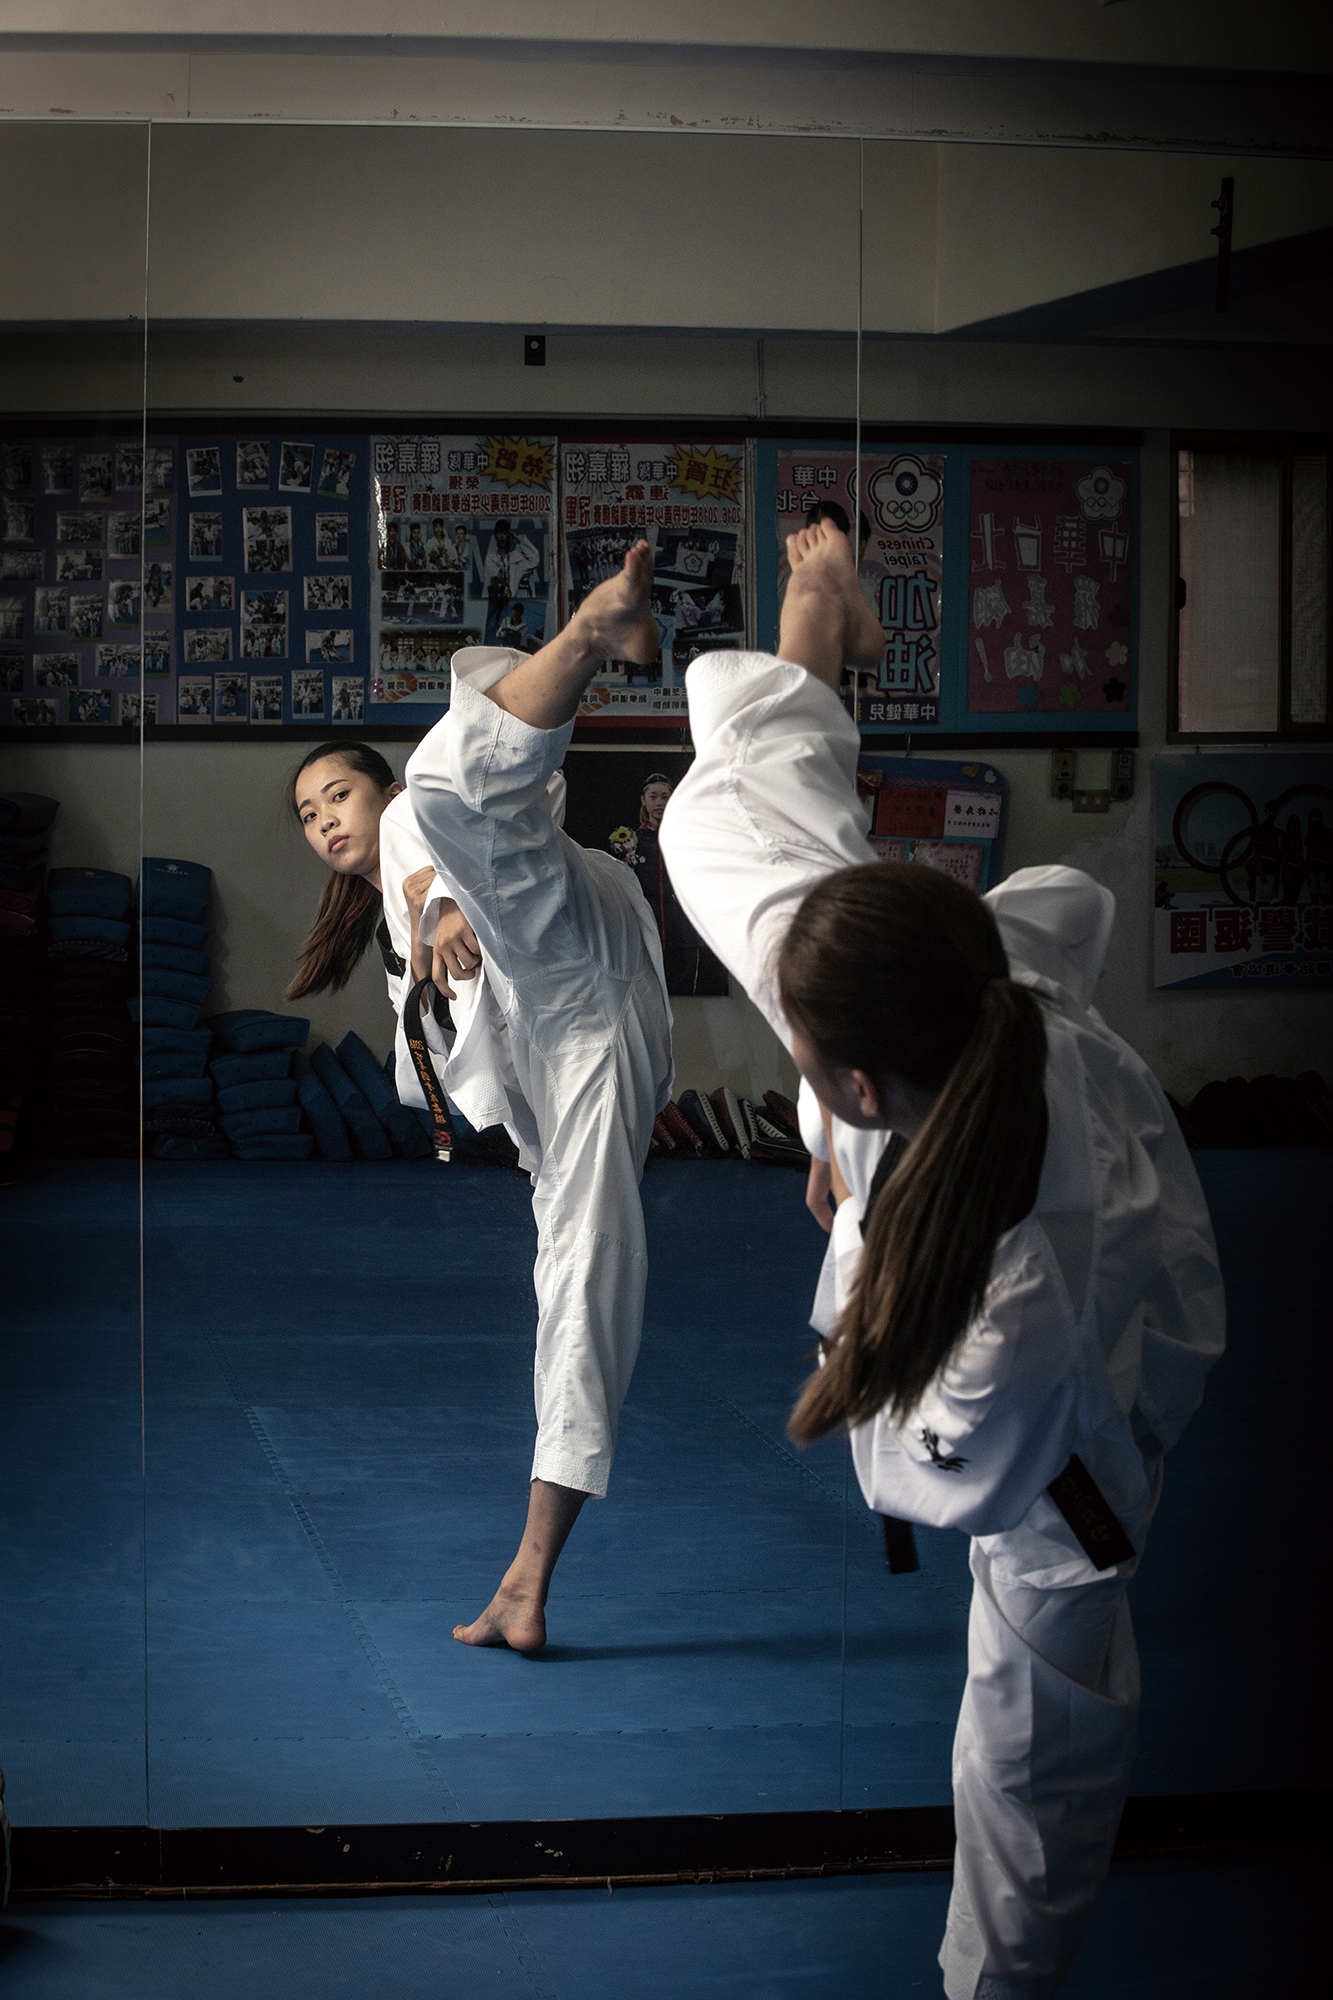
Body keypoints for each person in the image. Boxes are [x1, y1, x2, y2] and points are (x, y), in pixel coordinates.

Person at [659, 518, 1225, 2000]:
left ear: (859, 1087)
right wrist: (842, 1153)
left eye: (805, 1069)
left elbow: (934, 1467)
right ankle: (816, 622)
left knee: (1026, 1766)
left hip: (1069, 1475)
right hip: (926, 1111)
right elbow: (1030, 903)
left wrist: (862, 1238)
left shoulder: (1012, 1315)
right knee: (727, 835)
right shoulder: (981, 973)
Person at [402, 547, 673, 1652]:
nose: (326, 819)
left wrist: (436, 902)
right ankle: (527, 1576)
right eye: (308, 812)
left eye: (335, 794)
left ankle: (589, 633)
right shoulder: (396, 852)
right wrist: (428, 911)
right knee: (571, 1267)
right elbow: (422, 874)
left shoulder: (414, 814)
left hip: (581, 994)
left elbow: (433, 838)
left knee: (584, 1271)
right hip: (555, 1011)